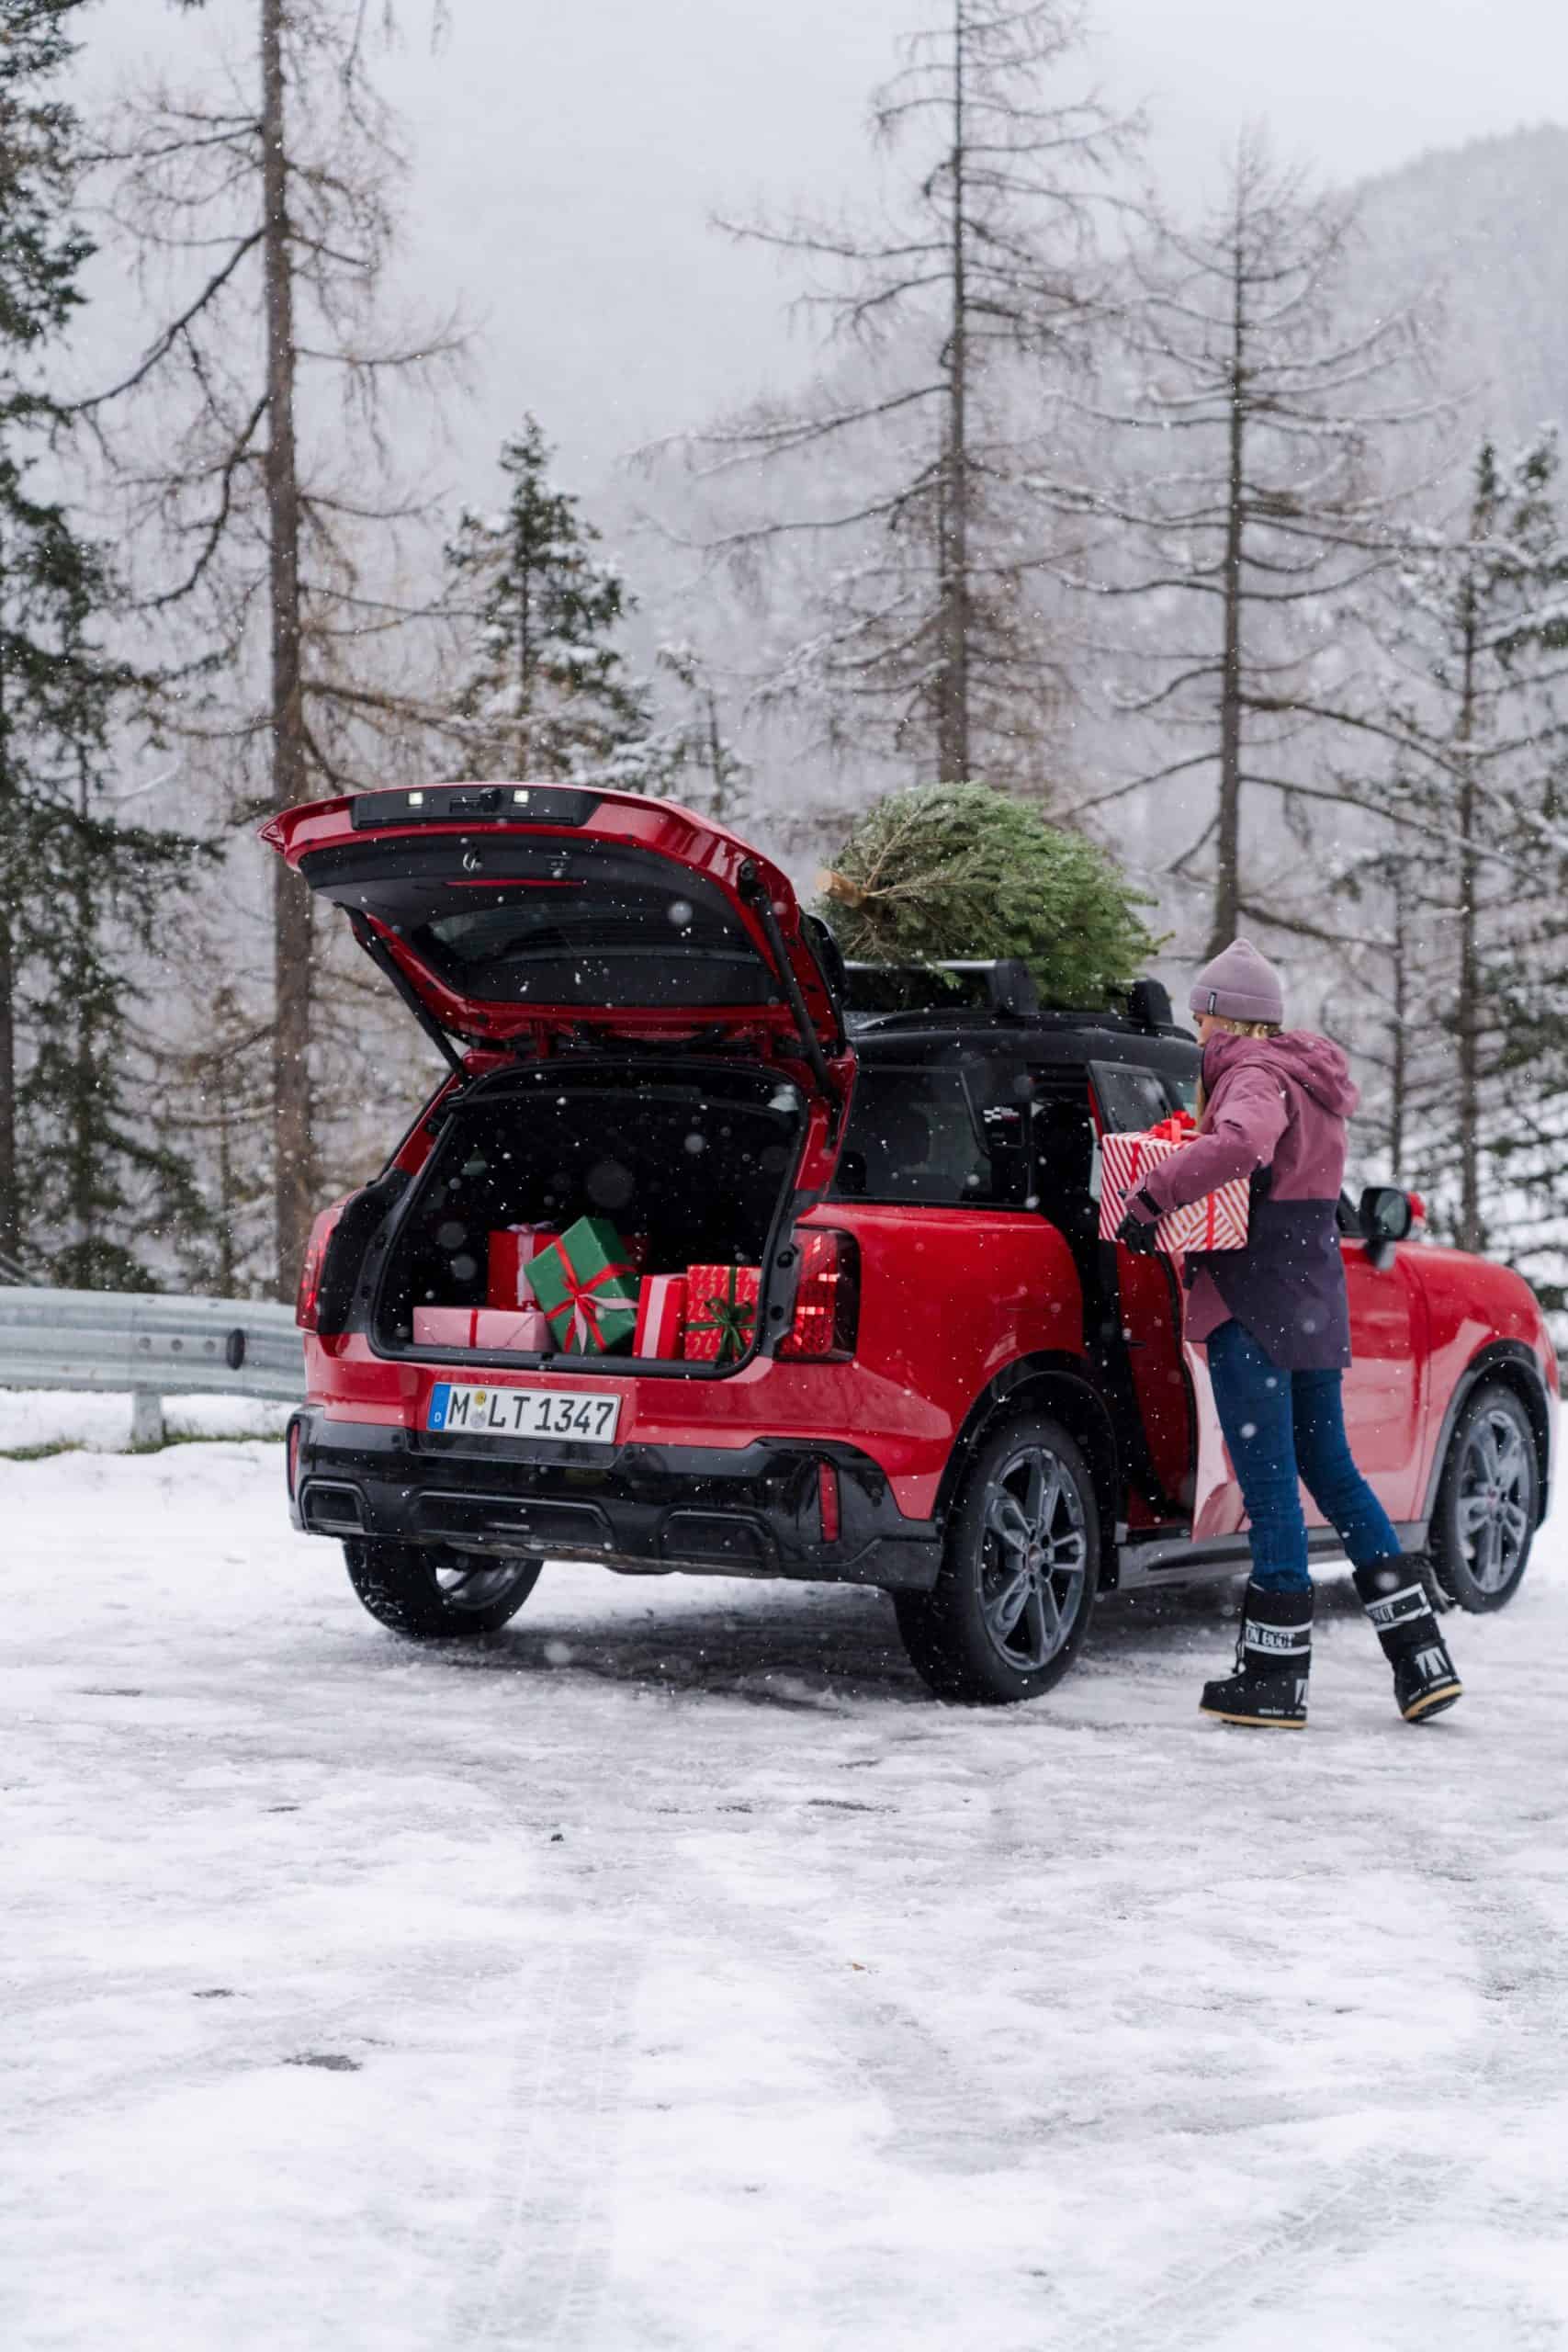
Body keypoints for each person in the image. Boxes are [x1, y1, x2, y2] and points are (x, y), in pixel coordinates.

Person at [1115, 938, 1462, 1729]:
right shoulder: (1312, 1077)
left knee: (1270, 1487)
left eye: (1201, 1018)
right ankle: (1420, 1658)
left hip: (1253, 1301)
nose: (1199, 1033)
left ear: (1220, 1017)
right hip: (1310, 1301)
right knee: (1332, 1473)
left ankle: (1273, 1677)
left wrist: (1152, 1197)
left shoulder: (1252, 1074)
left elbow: (1239, 1144)